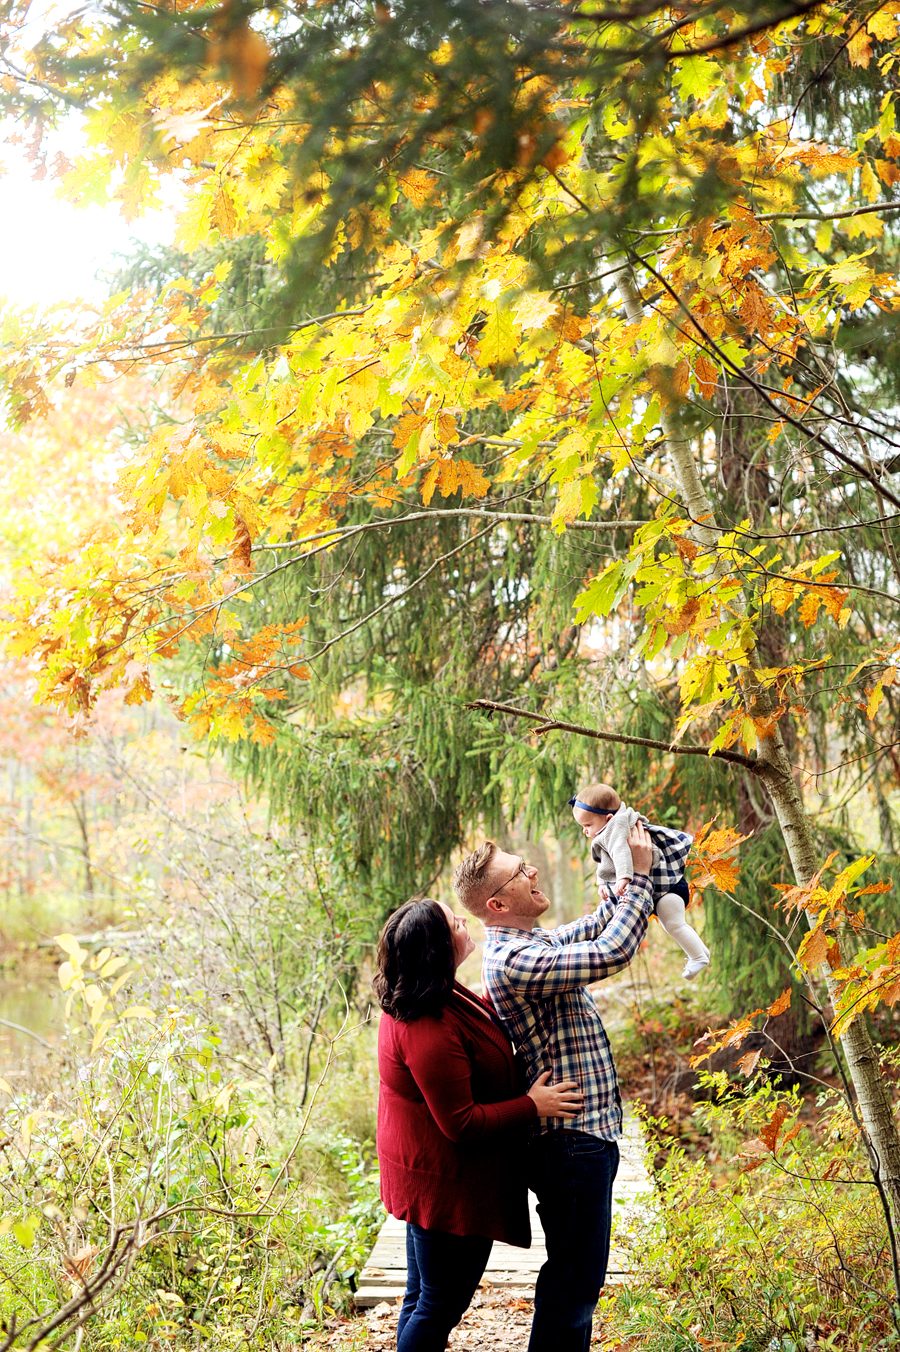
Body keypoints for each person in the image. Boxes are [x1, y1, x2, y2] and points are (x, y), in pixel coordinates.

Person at [452, 823, 653, 1352]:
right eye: (520, 871)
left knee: (576, 1280)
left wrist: (621, 873)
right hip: (569, 1143)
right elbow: (609, 953)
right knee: (573, 1283)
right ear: (497, 903)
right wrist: (645, 881)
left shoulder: (528, 941)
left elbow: (594, 926)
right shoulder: (514, 960)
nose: (533, 869)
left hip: (584, 1137)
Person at [374, 896, 584, 1352]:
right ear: (438, 949)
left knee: (424, 1296)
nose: (463, 921)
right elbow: (461, 1123)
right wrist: (533, 1104)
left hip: (426, 1171)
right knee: (439, 1304)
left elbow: (480, 1026)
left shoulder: (432, 993)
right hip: (444, 1185)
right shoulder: (427, 1028)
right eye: (454, 922)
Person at [570, 780, 709, 980]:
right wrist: (602, 883)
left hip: (668, 889)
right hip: (664, 889)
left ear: (608, 818)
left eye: (587, 825)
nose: (585, 831)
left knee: (674, 925)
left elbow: (620, 852)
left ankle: (698, 958)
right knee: (672, 924)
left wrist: (625, 877)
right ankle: (701, 953)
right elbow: (606, 863)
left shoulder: (617, 827)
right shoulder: (609, 829)